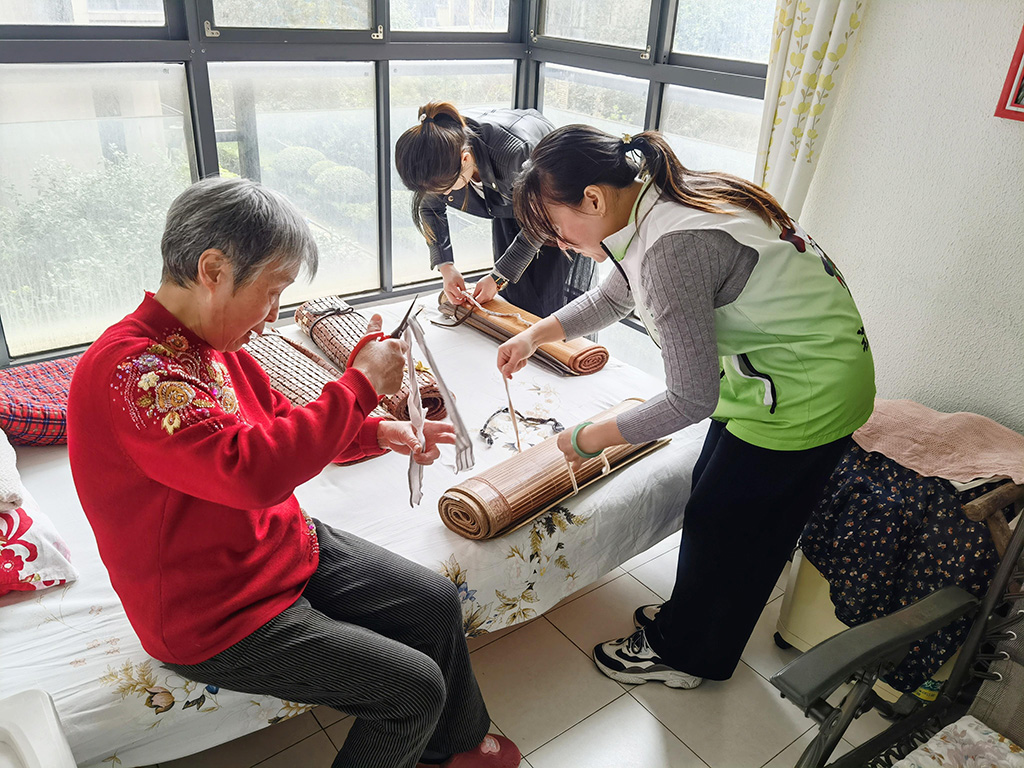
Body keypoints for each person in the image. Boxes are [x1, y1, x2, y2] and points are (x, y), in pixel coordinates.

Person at [67, 177, 520, 768]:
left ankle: (455, 746)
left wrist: (373, 430)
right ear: (213, 269)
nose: (272, 314)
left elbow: (278, 421)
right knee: (413, 690)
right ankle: (433, 735)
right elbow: (250, 472)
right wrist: (358, 386)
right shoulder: (131, 373)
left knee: (433, 599)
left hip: (279, 545)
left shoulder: (214, 343)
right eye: (272, 290)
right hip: (213, 611)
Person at [497, 125, 876, 689]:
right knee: (717, 505)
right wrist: (536, 335)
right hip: (778, 377)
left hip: (805, 396)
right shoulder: (663, 197)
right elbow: (613, 295)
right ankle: (693, 620)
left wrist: (586, 439)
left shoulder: (673, 247)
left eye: (555, 225)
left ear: (594, 199)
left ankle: (687, 654)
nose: (557, 242)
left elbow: (691, 398)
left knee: (725, 526)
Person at [395, 101, 594, 318]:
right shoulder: (441, 147)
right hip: (505, 195)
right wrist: (447, 268)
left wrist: (497, 278)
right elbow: (429, 208)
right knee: (513, 292)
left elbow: (542, 221)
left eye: (448, 188)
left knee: (548, 296)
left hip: (554, 205)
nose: (443, 195)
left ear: (465, 159)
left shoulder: (516, 154)